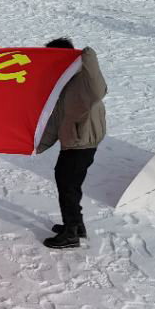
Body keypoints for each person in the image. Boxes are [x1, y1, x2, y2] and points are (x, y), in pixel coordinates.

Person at [36, 38, 107, 249]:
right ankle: (76, 225)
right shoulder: (64, 82)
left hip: (82, 142)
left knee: (68, 186)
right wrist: (37, 145)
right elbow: (57, 119)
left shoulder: (84, 79)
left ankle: (71, 234)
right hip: (73, 142)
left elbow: (99, 90)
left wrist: (86, 54)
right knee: (68, 184)